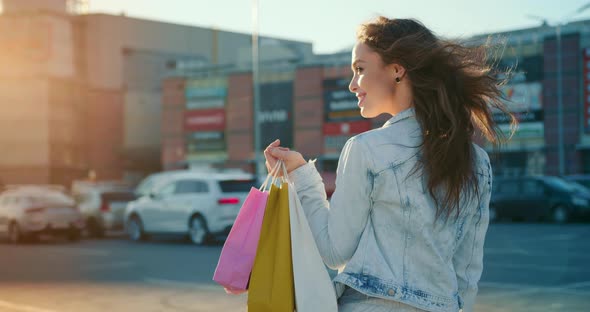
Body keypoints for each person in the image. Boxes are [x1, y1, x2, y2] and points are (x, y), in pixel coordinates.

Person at [264, 17, 515, 312]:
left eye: (360, 69)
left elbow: (334, 251)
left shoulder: (366, 150)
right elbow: (468, 270)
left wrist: (301, 175)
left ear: (397, 70)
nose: (352, 84)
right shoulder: (477, 161)